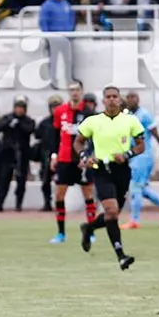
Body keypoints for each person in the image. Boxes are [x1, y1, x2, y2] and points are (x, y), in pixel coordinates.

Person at [73, 86, 146, 271]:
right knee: (111, 211)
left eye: (115, 96)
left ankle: (88, 228)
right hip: (101, 169)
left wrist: (128, 154)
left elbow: (140, 145)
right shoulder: (93, 121)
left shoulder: (130, 120)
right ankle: (121, 256)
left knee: (111, 215)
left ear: (119, 99)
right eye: (108, 97)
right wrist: (84, 157)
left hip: (121, 169)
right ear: (103, 100)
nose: (112, 100)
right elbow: (78, 141)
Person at [49, 81, 99, 244]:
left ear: (82, 91)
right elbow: (55, 135)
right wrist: (54, 155)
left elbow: (93, 138)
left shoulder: (88, 112)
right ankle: (61, 233)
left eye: (77, 90)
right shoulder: (60, 111)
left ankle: (91, 231)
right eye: (71, 90)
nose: (74, 93)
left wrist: (88, 156)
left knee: (88, 194)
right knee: (59, 194)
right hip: (64, 159)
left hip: (82, 161)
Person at [121, 91, 159, 230]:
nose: (130, 100)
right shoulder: (126, 116)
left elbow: (156, 134)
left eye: (133, 97)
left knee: (135, 187)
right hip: (133, 156)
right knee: (143, 189)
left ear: (138, 100)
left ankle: (134, 221)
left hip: (143, 156)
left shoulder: (144, 115)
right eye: (128, 98)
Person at [0, 95, 36, 212]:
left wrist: (19, 124)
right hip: (7, 154)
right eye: (17, 107)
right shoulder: (7, 118)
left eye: (22, 107)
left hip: (22, 153)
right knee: (3, 179)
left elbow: (30, 129)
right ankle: (0, 203)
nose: (19, 110)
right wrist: (9, 122)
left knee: (21, 180)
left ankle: (18, 204)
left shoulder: (28, 120)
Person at [33, 95, 63, 212]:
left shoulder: (65, 122)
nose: (55, 109)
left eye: (57, 106)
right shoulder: (45, 123)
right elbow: (37, 135)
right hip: (47, 154)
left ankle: (61, 202)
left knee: (62, 181)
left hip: (62, 154)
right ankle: (47, 202)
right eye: (53, 107)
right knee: (45, 180)